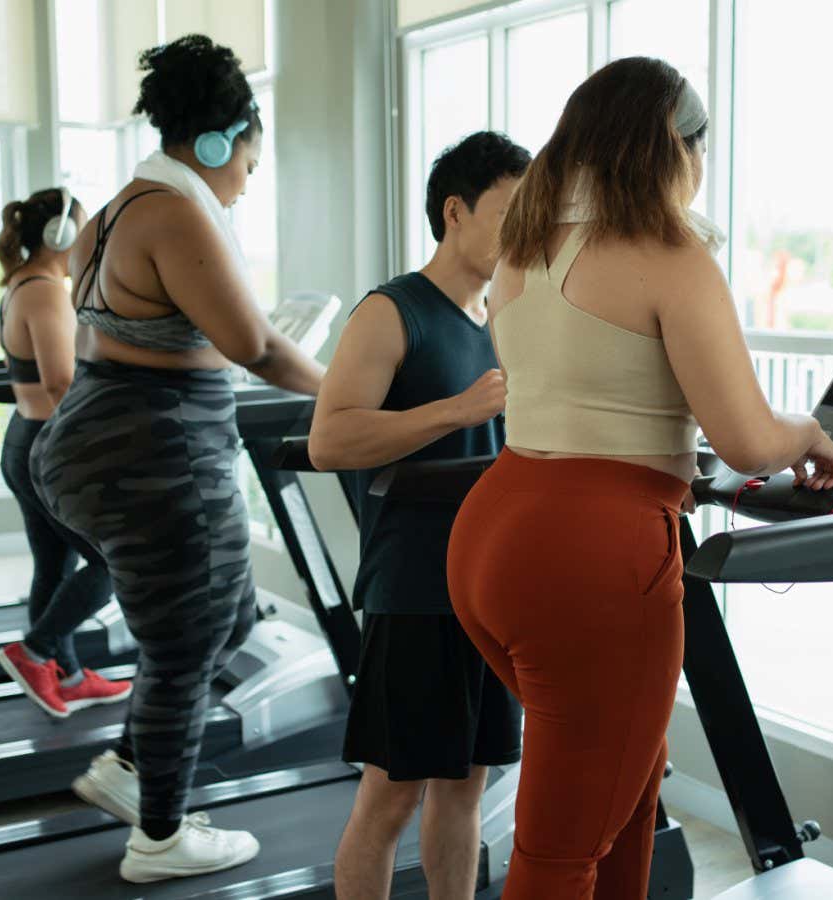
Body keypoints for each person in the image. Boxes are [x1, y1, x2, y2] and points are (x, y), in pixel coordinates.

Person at [446, 58, 833, 899]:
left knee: (623, 779)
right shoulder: (669, 254)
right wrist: (807, 431)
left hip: (491, 534)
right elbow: (744, 439)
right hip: (592, 555)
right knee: (559, 846)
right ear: (679, 148)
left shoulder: (525, 248)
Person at [29, 35, 325, 884]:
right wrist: (349, 396)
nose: (245, 182)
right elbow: (256, 346)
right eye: (248, 165)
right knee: (189, 642)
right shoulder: (180, 212)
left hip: (100, 441)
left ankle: (128, 771)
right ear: (220, 142)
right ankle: (158, 838)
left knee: (228, 615)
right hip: (158, 454)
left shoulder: (115, 208)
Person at [307, 131, 531, 900]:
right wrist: (457, 409)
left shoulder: (500, 320)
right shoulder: (391, 310)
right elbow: (330, 438)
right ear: (455, 212)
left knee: (467, 784)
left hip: (487, 588)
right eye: (511, 211)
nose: (526, 229)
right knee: (392, 793)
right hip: (415, 590)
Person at [0, 187, 132, 718]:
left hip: (23, 439)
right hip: (49, 446)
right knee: (112, 562)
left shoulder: (21, 285)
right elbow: (60, 383)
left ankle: (68, 676)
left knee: (52, 566)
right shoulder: (46, 292)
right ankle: (36, 652)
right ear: (64, 236)